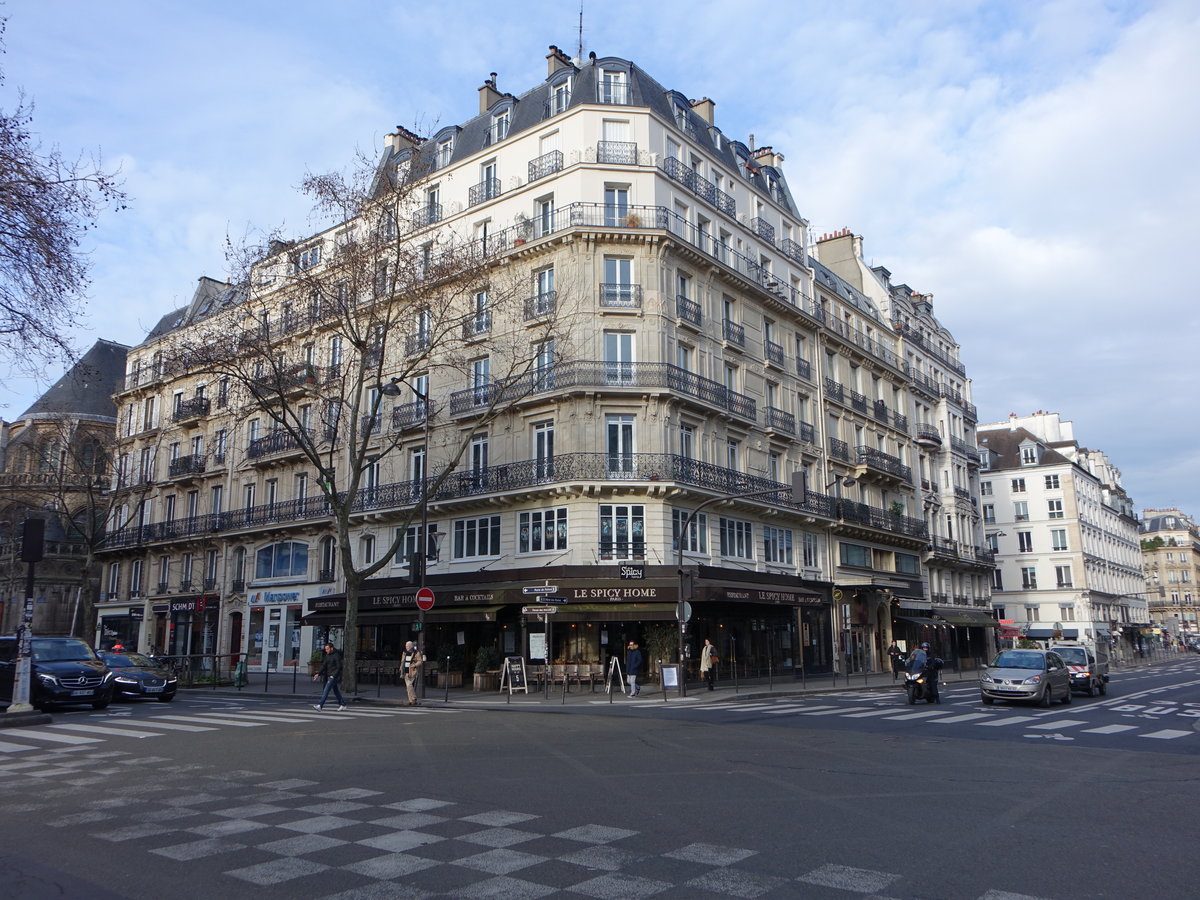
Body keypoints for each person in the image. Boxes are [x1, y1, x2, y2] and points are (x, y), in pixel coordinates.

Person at [312, 642, 346, 711]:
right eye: (325, 649)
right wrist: (318, 674)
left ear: (331, 648)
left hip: (334, 676)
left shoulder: (336, 655)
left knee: (326, 690)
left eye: (327, 649)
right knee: (336, 691)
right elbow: (324, 665)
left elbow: (339, 666)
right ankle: (343, 704)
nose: (326, 650)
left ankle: (320, 705)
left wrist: (334, 675)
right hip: (330, 675)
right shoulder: (327, 655)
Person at [402, 640, 423, 706]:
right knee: (408, 687)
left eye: (407, 646)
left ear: (411, 646)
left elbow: (420, 661)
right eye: (406, 646)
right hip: (405, 670)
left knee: (409, 685)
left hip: (412, 671)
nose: (406, 647)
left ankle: (414, 698)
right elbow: (402, 661)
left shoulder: (416, 652)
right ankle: (411, 701)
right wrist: (401, 669)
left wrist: (414, 665)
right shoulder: (404, 652)